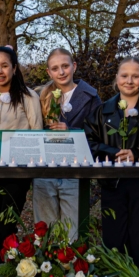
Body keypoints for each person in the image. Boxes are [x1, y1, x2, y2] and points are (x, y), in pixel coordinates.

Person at [85, 56, 139, 277]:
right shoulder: (102, 110)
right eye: (124, 75)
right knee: (114, 242)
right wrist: (114, 152)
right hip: (113, 185)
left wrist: (137, 153)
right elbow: (89, 141)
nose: (129, 80)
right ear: (116, 79)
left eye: (135, 75)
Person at [0, 45, 44, 266]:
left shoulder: (29, 97)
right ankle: (9, 266)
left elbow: (37, 132)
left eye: (4, 66)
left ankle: (6, 267)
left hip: (18, 171)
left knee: (7, 221)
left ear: (14, 68)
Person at [34, 48, 101, 239]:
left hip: (75, 173)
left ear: (74, 66)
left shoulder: (91, 97)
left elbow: (97, 135)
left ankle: (72, 268)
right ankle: (45, 268)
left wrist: (71, 132)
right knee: (45, 232)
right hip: (45, 171)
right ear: (49, 72)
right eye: (55, 68)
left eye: (65, 66)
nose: (61, 72)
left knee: (72, 234)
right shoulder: (41, 97)